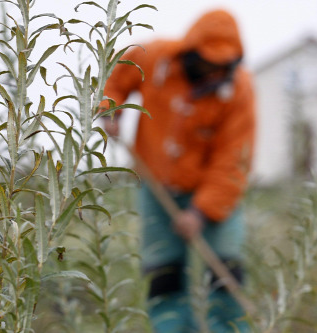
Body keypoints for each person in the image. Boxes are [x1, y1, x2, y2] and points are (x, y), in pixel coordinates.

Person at [102, 9, 255, 333]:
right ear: (191, 52)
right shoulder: (156, 58)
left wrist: (201, 212)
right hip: (156, 186)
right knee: (164, 276)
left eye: (222, 66)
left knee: (224, 275)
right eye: (208, 63)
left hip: (215, 195)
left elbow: (234, 160)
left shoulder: (240, 91)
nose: (214, 72)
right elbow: (116, 79)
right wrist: (110, 109)